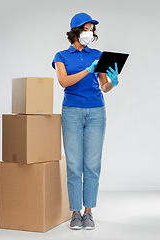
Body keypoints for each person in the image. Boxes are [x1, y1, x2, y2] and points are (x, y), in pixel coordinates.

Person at [52, 12, 119, 230]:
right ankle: (75, 212)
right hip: (71, 112)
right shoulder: (61, 56)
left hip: (96, 112)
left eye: (92, 30)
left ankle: (88, 212)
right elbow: (63, 81)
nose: (90, 33)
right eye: (87, 29)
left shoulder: (98, 55)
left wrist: (113, 82)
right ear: (75, 32)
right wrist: (86, 70)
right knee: (74, 165)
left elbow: (104, 87)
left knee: (92, 165)